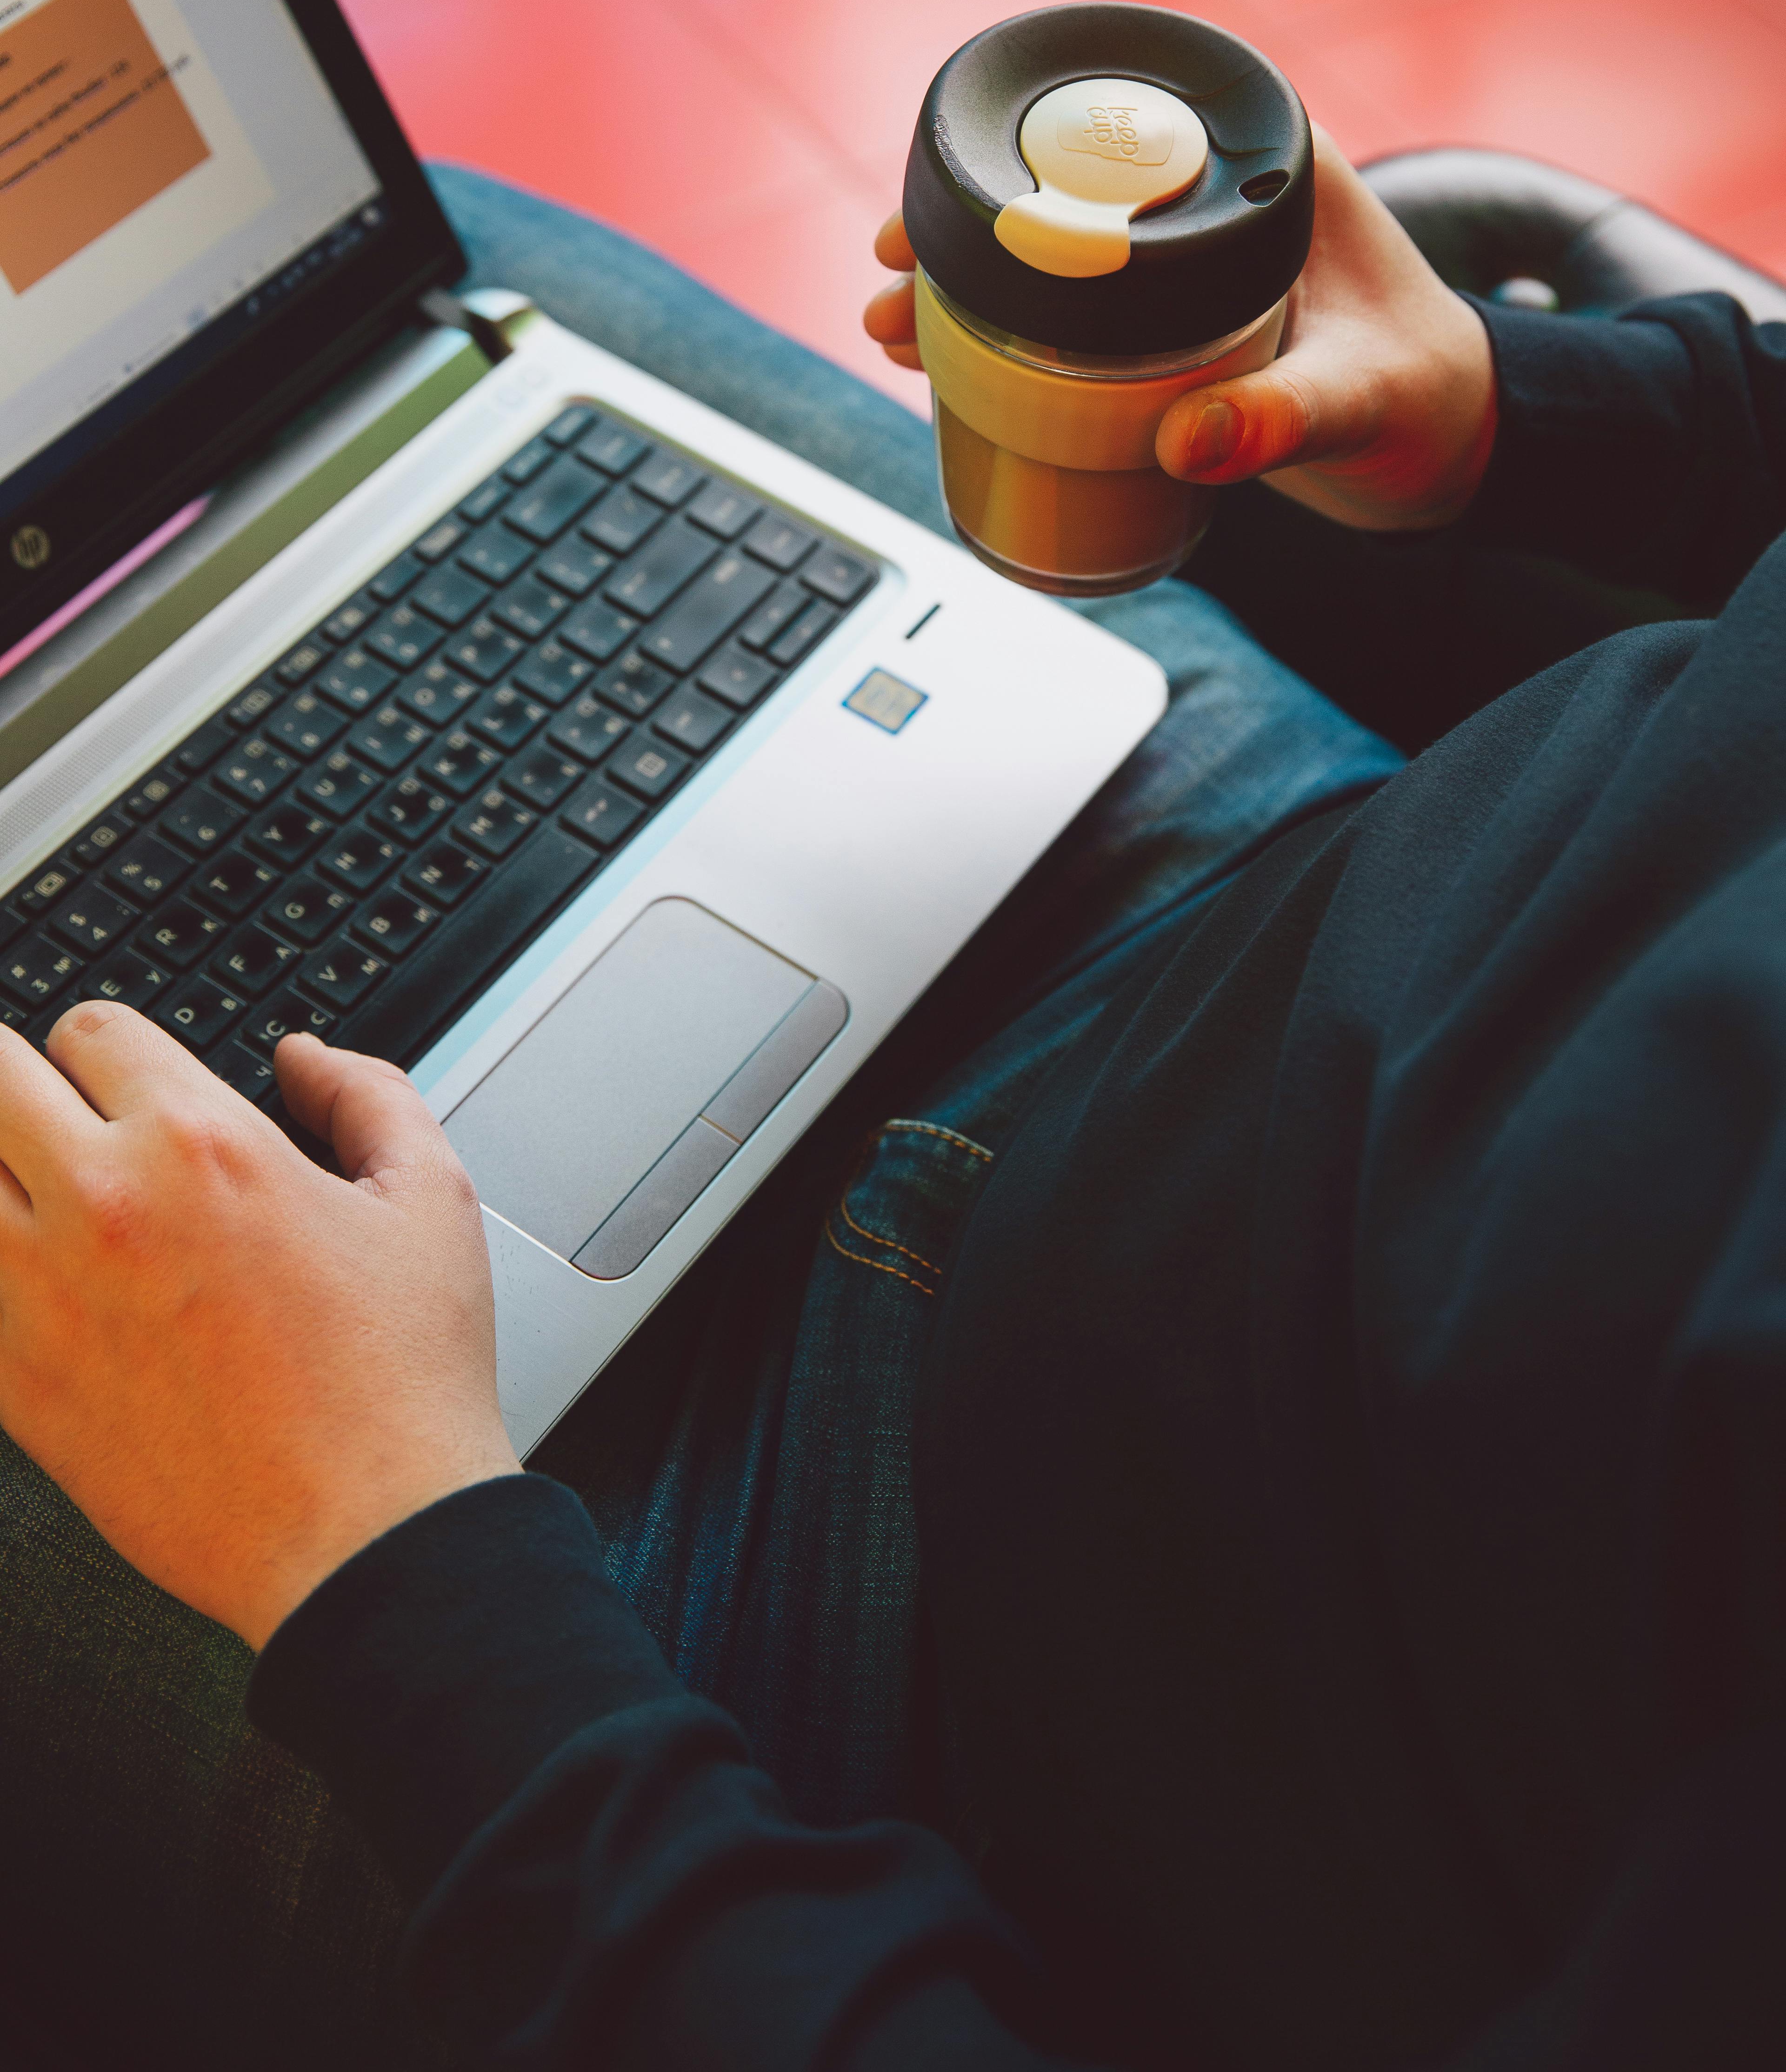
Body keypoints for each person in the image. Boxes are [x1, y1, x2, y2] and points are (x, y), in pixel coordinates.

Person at [0, 131, 1783, 2072]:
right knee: (269, 289)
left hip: (849, 1718)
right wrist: (1561, 419)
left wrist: (383, 1554)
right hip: (1246, 894)